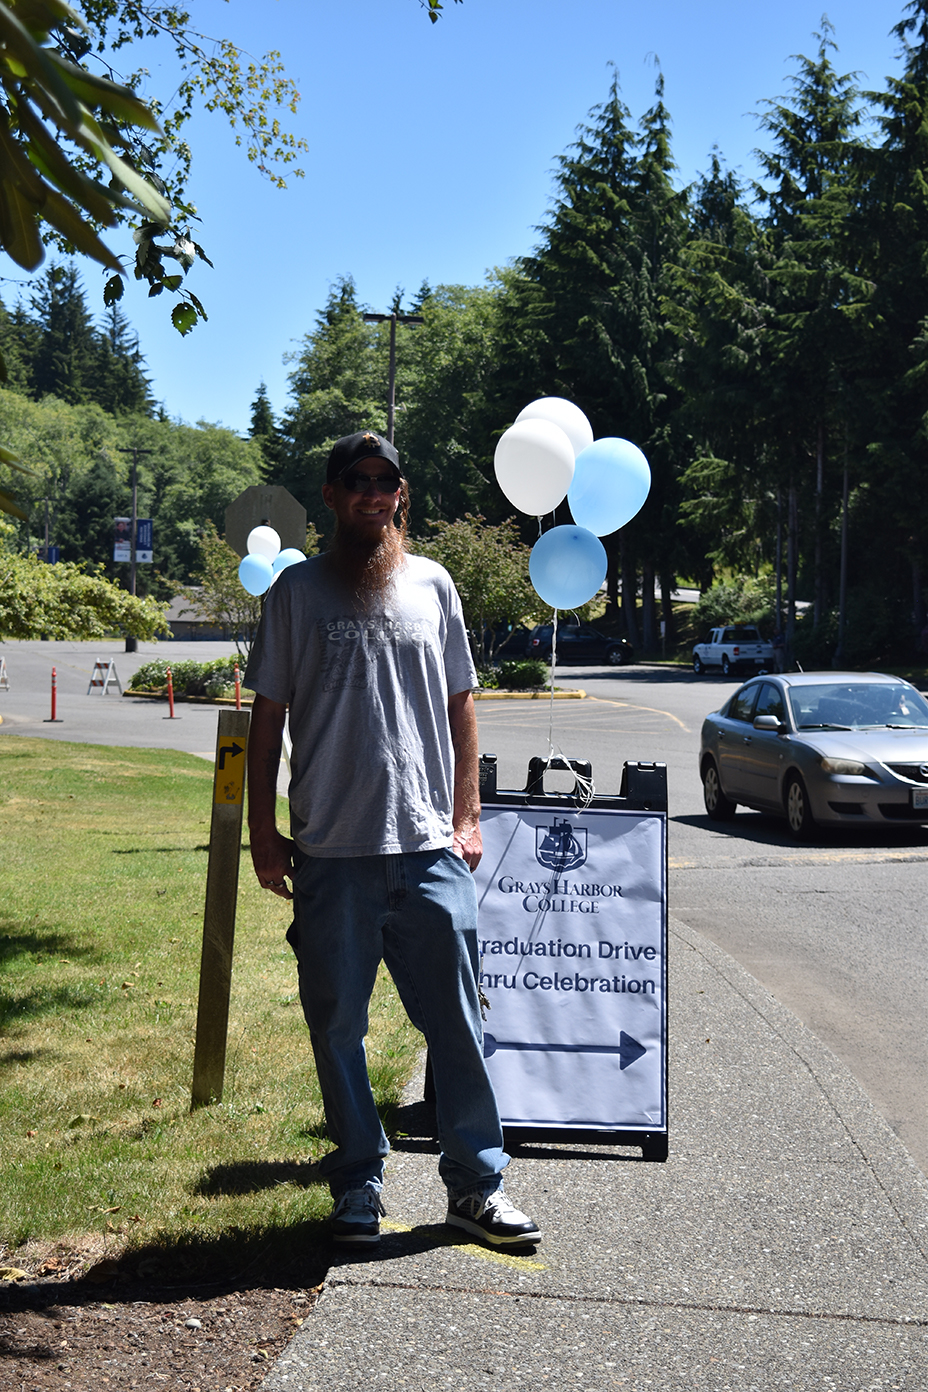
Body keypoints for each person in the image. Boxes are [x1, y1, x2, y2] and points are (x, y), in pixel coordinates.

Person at [245, 430, 540, 1250]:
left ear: (401, 495)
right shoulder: (296, 592)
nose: (374, 493)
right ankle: (358, 1189)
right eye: (357, 480)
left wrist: (469, 814)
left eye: (387, 481)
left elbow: (461, 704)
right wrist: (262, 832)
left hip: (428, 850)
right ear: (334, 497)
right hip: (332, 852)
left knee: (458, 1023)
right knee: (338, 1027)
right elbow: (267, 718)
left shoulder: (434, 586)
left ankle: (477, 1187)